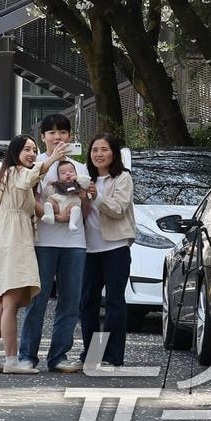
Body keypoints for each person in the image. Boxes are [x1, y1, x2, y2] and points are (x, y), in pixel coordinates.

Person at [17, 113, 89, 373]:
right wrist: (56, 216)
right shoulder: (36, 165)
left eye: (63, 132)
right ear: (43, 137)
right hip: (43, 241)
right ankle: (27, 355)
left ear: (70, 136)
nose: (57, 137)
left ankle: (58, 357)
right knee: (36, 300)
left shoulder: (80, 168)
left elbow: (85, 206)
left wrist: (84, 199)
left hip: (75, 242)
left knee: (70, 302)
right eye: (52, 133)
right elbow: (31, 199)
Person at [0, 134, 43, 374]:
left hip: (6, 242)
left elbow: (35, 209)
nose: (32, 154)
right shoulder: (17, 172)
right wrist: (51, 160)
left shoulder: (6, 174)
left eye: (35, 150)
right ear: (15, 152)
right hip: (16, 242)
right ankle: (11, 360)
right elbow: (28, 179)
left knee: (0, 304)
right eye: (27, 149)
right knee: (9, 305)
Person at [79, 134, 135, 370]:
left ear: (114, 153)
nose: (99, 154)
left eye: (104, 149)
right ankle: (91, 352)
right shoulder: (84, 178)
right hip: (88, 248)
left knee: (114, 301)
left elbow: (118, 209)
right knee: (87, 302)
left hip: (115, 247)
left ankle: (113, 354)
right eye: (95, 150)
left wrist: (96, 196)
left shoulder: (123, 177)